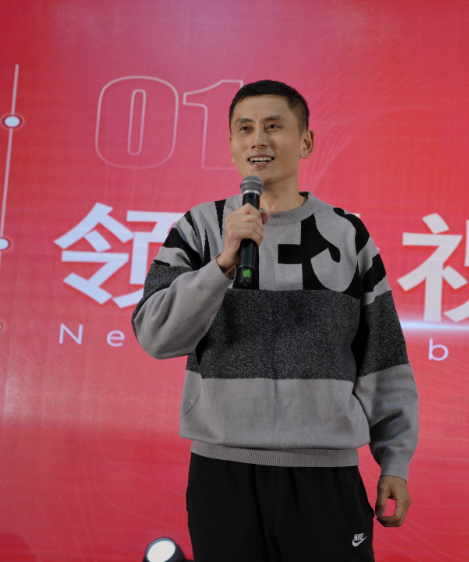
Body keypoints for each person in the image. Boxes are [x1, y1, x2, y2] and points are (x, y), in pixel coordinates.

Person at [132, 80, 418, 562]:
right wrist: (221, 266)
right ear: (231, 146)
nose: (258, 140)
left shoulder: (347, 234)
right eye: (244, 129)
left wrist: (395, 459)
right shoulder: (199, 228)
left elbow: (382, 355)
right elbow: (155, 335)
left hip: (324, 473)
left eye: (273, 126)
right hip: (223, 472)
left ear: (305, 141)